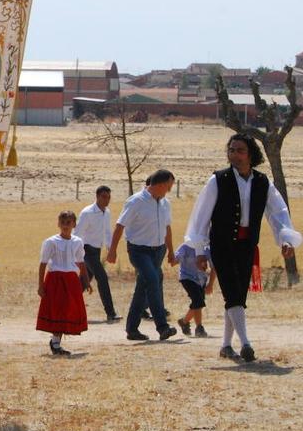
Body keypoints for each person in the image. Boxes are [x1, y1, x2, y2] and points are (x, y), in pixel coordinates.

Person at [185, 134, 301, 362]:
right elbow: (201, 216)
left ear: (250, 155)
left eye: (240, 151)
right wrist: (199, 251)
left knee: (236, 294)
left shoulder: (262, 182)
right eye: (232, 150)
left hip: (247, 246)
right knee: (232, 292)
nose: (235, 155)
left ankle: (226, 345)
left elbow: (278, 213)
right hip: (221, 245)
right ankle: (246, 343)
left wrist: (285, 239)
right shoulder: (217, 180)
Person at [107, 170, 179, 342]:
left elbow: (167, 228)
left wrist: (170, 251)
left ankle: (132, 329)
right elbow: (120, 225)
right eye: (168, 187)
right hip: (139, 251)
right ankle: (162, 327)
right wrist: (112, 250)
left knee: (143, 288)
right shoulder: (136, 201)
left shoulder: (165, 203)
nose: (169, 191)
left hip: (158, 251)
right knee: (153, 280)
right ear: (160, 185)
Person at [37, 211, 90, 355]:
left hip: (71, 280)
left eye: (69, 222)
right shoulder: (51, 242)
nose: (66, 226)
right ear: (58, 224)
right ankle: (55, 342)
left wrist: (86, 281)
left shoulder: (77, 242)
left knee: (69, 309)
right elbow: (43, 264)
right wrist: (41, 285)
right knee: (58, 309)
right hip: (55, 279)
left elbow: (80, 262)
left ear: (74, 224)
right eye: (63, 222)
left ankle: (56, 341)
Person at [74, 186, 121, 322]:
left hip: (97, 250)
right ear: (97, 196)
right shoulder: (87, 212)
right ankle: (111, 313)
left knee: (83, 282)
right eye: (104, 197)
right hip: (86, 250)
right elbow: (77, 233)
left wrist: (111, 249)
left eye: (108, 197)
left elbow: (107, 232)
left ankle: (63, 306)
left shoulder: (107, 212)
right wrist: (76, 254)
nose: (107, 200)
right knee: (102, 278)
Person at [174, 243, 214, 338]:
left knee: (198, 303)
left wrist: (210, 284)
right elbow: (176, 258)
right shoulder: (185, 247)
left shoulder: (206, 249)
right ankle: (199, 328)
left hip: (201, 280)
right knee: (198, 301)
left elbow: (214, 267)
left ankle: (184, 321)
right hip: (187, 278)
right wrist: (174, 259)